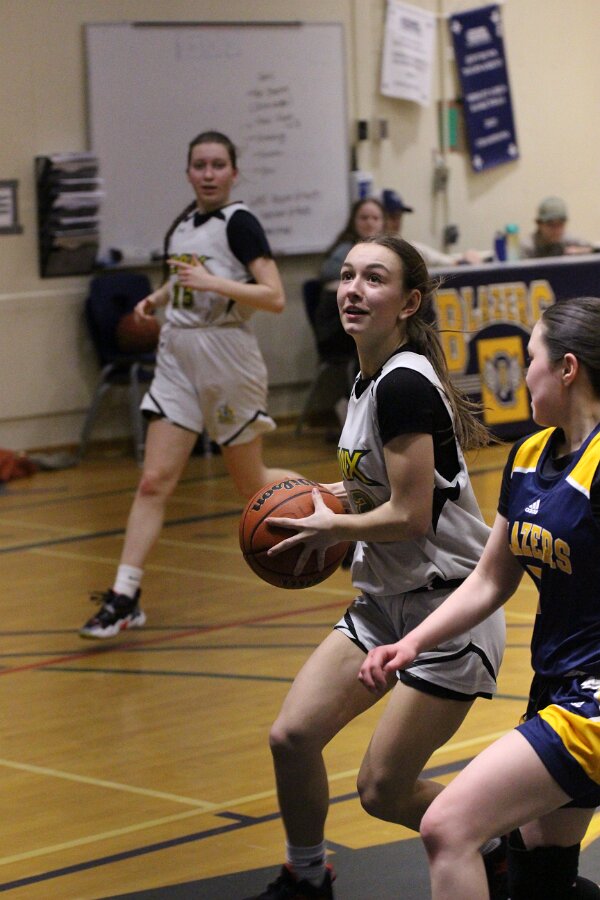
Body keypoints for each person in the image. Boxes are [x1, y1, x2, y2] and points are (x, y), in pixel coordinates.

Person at [245, 235, 506, 900]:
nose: (353, 289)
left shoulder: (404, 385)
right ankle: (307, 877)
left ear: (409, 302)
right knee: (291, 736)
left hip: (448, 611)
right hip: (384, 601)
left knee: (382, 790)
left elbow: (411, 516)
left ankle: (504, 847)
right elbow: (383, 492)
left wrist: (333, 525)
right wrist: (334, 507)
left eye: (374, 279)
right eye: (348, 276)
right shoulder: (367, 378)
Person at [360, 295, 600, 899]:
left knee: (448, 826)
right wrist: (411, 644)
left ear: (567, 369)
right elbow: (491, 579)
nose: (523, 373)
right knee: (539, 865)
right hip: (556, 684)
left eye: (530, 359)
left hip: (594, 700)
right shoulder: (527, 457)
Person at [80, 131, 298, 639]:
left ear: (234, 173)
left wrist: (213, 284)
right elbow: (184, 281)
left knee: (252, 484)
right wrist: (157, 299)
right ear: (188, 172)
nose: (208, 173)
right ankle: (124, 596)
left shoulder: (240, 223)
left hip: (226, 355)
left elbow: (274, 296)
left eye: (218, 164)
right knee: (153, 480)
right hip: (178, 355)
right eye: (199, 165)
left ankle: (342, 510)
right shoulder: (182, 225)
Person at [312, 198, 385, 435]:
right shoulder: (345, 251)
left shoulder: (388, 250)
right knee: (373, 343)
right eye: (364, 218)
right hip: (338, 330)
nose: (370, 223)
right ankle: (356, 407)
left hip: (366, 325)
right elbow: (328, 273)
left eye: (375, 218)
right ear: (354, 221)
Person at [381, 189, 484, 267]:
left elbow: (441, 260)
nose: (397, 222)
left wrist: (464, 261)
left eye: (399, 216)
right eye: (392, 217)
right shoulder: (374, 252)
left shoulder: (409, 249)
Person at [520, 196, 593, 259]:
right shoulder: (528, 247)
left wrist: (581, 251)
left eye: (560, 224)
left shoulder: (568, 240)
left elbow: (594, 250)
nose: (556, 230)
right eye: (551, 224)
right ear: (539, 224)